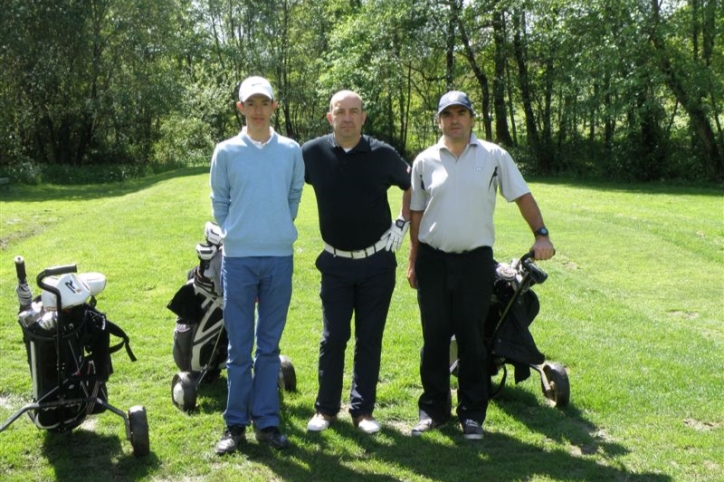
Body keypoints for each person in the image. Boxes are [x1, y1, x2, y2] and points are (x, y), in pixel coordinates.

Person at [406, 91, 555, 440]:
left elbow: (521, 194)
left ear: (472, 118)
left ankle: (472, 415)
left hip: (475, 262)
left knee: (473, 339)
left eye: (461, 113)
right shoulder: (425, 160)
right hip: (433, 260)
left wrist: (541, 234)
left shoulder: (493, 156)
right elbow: (415, 211)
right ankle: (433, 410)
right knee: (435, 338)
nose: (454, 120)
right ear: (439, 120)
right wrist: (413, 258)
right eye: (448, 114)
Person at [302, 90, 411, 435]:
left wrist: (402, 221)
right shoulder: (312, 153)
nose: (347, 118)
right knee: (333, 337)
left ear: (363, 117)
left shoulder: (382, 153)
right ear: (329, 117)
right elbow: (284, 181)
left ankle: (362, 411)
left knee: (369, 338)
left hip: (377, 263)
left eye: (354, 112)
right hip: (334, 262)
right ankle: (326, 409)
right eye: (340, 112)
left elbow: (412, 183)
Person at [209, 76, 305, 455]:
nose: (258, 110)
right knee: (238, 347)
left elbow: (295, 193)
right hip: (239, 259)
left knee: (269, 347)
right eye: (251, 104)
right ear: (241, 109)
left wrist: (280, 224)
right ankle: (235, 425)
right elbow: (220, 200)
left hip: (279, 257)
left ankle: (267, 422)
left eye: (264, 103)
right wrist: (234, 230)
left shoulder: (290, 150)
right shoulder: (226, 151)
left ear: (274, 107)